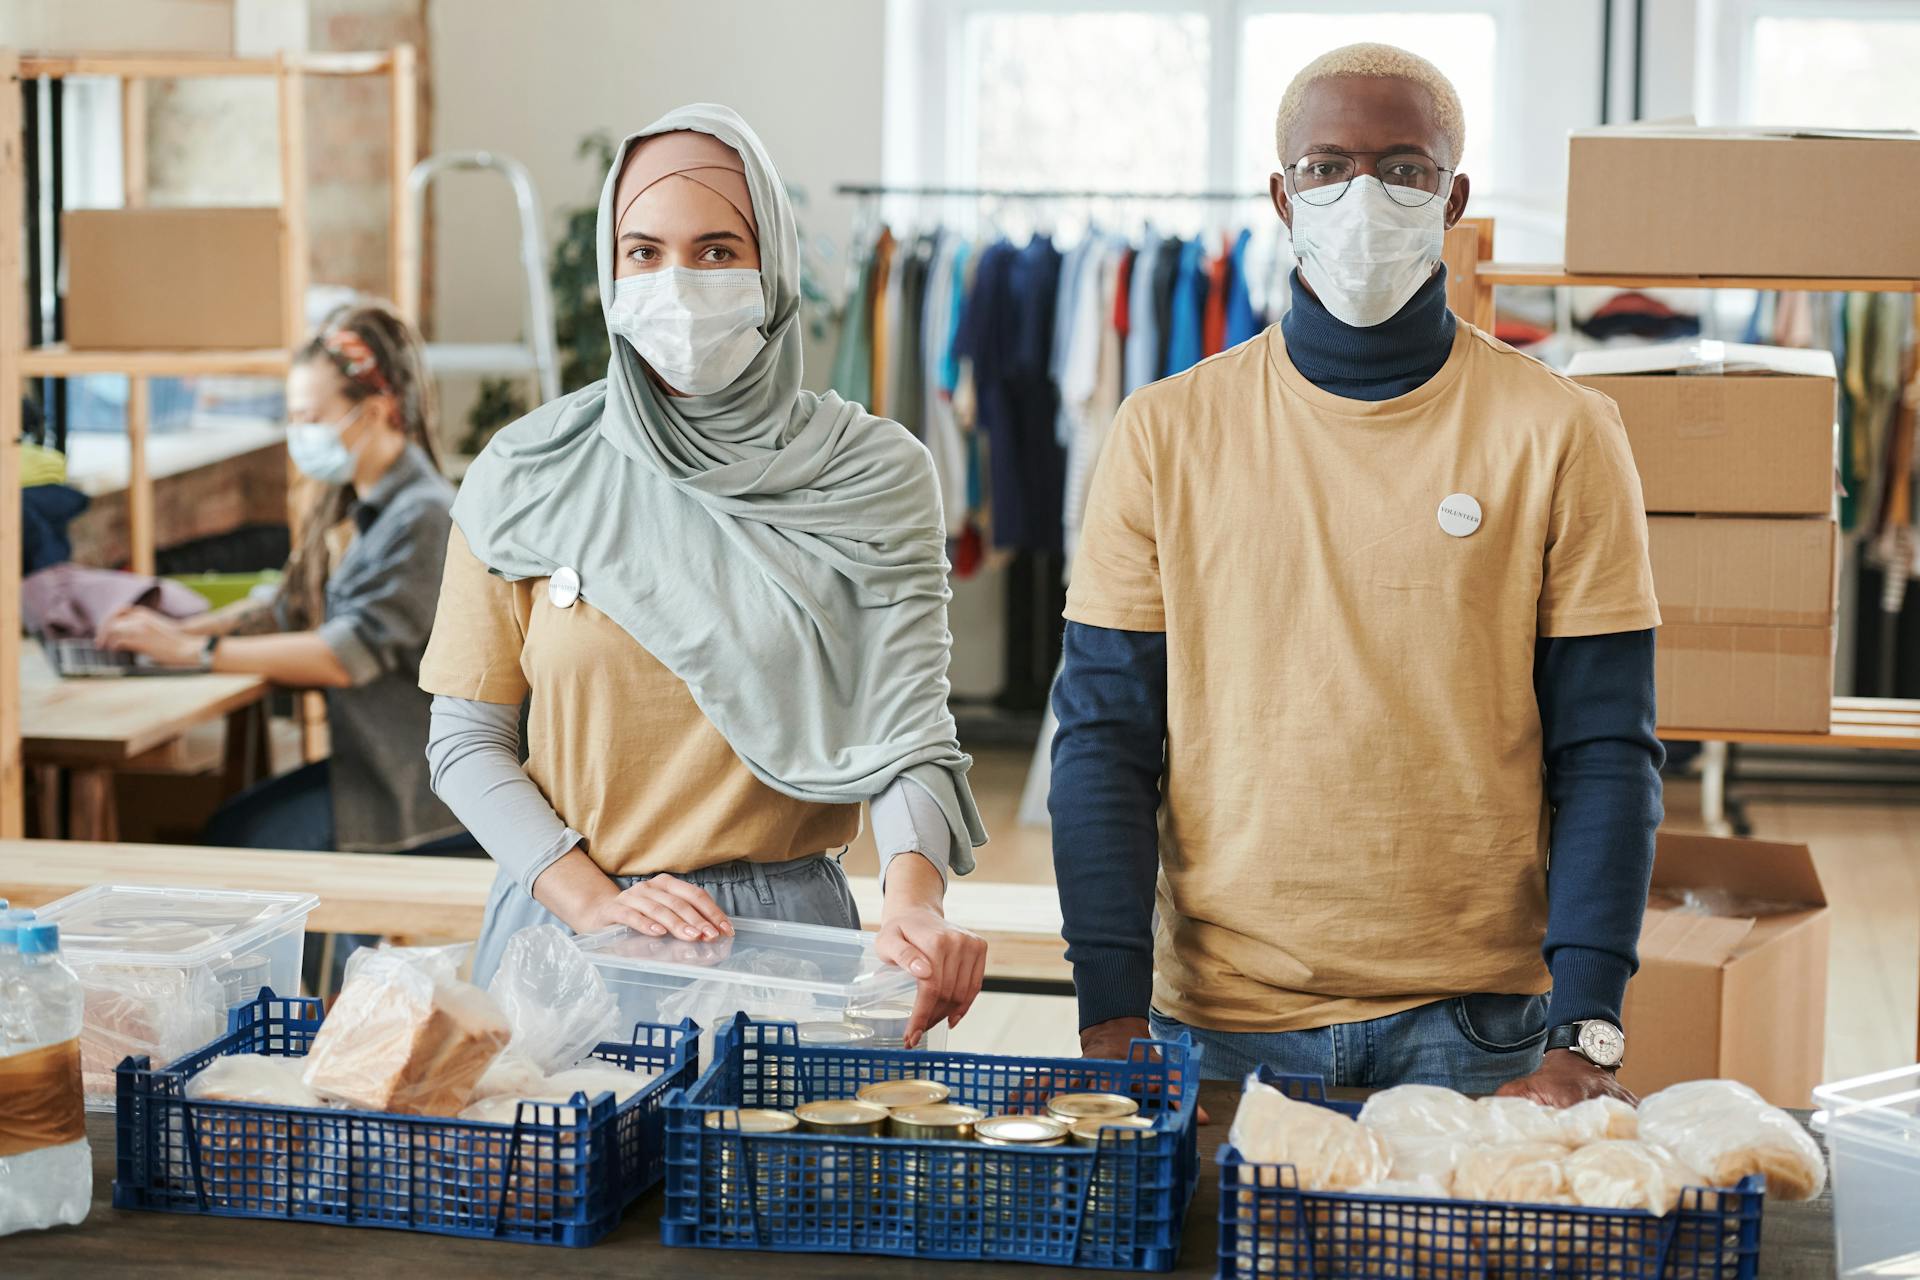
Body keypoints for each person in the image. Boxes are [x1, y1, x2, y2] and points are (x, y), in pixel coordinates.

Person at [1051, 43, 1662, 1105]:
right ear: (1282, 194)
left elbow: (1608, 747)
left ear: (1453, 195)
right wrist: (1110, 1012)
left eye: (1404, 168)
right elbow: (1105, 737)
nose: (1362, 195)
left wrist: (1588, 1026)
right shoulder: (1165, 433)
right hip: (1222, 1020)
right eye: (1327, 167)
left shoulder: (1563, 431)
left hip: (1481, 1026)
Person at [420, 105, 989, 1044]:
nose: (677, 283)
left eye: (717, 250)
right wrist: (592, 902)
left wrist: (912, 898)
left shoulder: (871, 473)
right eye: (642, 252)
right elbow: (464, 741)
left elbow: (906, 728)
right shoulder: (527, 472)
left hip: (784, 944)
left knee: (777, 1193)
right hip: (566, 927)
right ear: (611, 271)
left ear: (773, 271)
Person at [97, 302, 468, 858]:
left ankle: (344, 948)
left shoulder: (425, 516)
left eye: (310, 418)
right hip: (375, 765)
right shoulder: (358, 505)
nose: (297, 434)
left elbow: (342, 656)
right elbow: (289, 604)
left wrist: (197, 650)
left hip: (419, 787)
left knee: (241, 839)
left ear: (373, 412)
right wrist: (179, 631)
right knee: (232, 823)